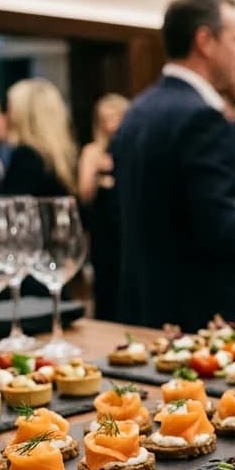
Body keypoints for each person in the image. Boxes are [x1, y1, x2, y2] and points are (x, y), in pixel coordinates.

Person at [110, 0, 235, 332]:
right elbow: (222, 232)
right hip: (202, 319)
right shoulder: (202, 118)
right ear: (205, 41)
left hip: (146, 308)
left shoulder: (138, 110)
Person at [79, 93, 128, 322]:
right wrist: (97, 171)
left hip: (129, 226)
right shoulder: (93, 151)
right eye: (105, 119)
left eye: (116, 117)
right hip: (104, 229)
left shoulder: (134, 147)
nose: (111, 125)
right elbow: (84, 194)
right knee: (107, 283)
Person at [0, 78, 76, 199]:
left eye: (9, 109)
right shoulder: (64, 155)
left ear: (23, 115)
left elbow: (14, 204)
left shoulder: (26, 155)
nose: (6, 116)